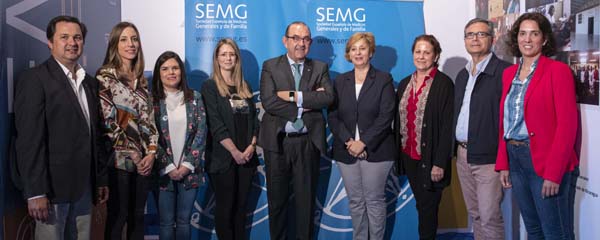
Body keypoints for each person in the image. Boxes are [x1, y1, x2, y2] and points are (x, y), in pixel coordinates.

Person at [12, 15, 109, 240]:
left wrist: (100, 179)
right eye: (64, 37)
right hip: (51, 191)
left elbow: (94, 136)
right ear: (50, 42)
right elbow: (29, 140)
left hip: (84, 188)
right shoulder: (34, 79)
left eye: (77, 37)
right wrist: (35, 191)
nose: (72, 43)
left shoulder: (90, 83)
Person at [496, 12, 579, 239]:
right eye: (523, 33)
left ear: (544, 39)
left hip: (545, 161)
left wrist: (554, 173)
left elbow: (567, 125)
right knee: (533, 229)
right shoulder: (509, 74)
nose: (527, 39)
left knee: (555, 233)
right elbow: (505, 122)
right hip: (516, 158)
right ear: (516, 38)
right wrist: (503, 162)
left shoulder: (558, 71)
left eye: (534, 34)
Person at [258, 21, 334, 240]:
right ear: (285, 41)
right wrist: (308, 103)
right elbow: (269, 101)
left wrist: (295, 97)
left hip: (307, 142)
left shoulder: (320, 68)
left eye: (306, 39)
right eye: (296, 38)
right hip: (278, 143)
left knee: (305, 204)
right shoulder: (270, 66)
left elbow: (328, 98)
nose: (302, 43)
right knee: (277, 203)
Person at [327, 32, 395, 240]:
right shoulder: (340, 81)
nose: (358, 53)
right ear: (348, 53)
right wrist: (350, 142)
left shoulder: (384, 79)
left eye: (362, 48)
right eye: (353, 49)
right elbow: (332, 115)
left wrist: (363, 143)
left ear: (371, 52)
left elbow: (386, 116)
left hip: (377, 151)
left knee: (374, 201)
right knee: (355, 202)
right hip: (346, 150)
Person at [97, 22, 159, 239]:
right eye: (124, 39)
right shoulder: (105, 77)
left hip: (143, 162)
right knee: (118, 215)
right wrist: (131, 151)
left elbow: (150, 123)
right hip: (118, 161)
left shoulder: (141, 81)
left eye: (134, 39)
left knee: (138, 216)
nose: (130, 44)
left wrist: (151, 153)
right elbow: (108, 122)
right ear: (114, 43)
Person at [453, 18, 511, 240]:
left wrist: (504, 159)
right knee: (475, 215)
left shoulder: (504, 72)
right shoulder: (462, 74)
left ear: (492, 39)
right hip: (463, 155)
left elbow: (508, 120)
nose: (475, 39)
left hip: (489, 158)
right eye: (470, 35)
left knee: (489, 217)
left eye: (481, 34)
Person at [394, 34, 454, 240]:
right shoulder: (404, 84)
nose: (421, 56)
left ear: (435, 55)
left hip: (431, 160)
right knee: (422, 206)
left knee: (428, 211)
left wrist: (440, 163)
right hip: (409, 157)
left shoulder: (444, 84)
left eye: (427, 52)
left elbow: (448, 127)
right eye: (418, 52)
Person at [201, 38, 259, 240]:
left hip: (247, 158)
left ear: (237, 59)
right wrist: (235, 152)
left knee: (241, 209)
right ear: (216, 58)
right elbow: (215, 125)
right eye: (223, 54)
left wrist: (251, 146)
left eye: (231, 54)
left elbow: (254, 120)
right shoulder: (209, 87)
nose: (228, 58)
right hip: (223, 159)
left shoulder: (245, 86)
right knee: (225, 209)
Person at [151, 51, 206, 239]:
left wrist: (186, 166)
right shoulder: (152, 102)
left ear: (181, 72)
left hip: (190, 171)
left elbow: (201, 133)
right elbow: (151, 137)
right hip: (163, 172)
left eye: (175, 68)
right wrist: (168, 166)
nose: (171, 72)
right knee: (166, 222)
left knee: (184, 221)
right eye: (165, 69)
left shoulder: (194, 97)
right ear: (159, 73)